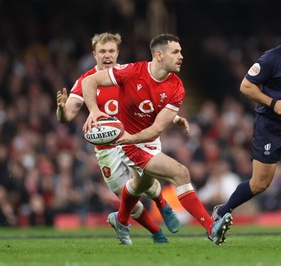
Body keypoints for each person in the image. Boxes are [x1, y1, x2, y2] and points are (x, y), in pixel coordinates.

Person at [82, 33, 233, 246]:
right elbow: (90, 80)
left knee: (138, 185)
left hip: (147, 140)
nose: (181, 56)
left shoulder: (177, 86)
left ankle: (121, 218)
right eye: (176, 52)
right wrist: (94, 111)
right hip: (131, 145)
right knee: (180, 173)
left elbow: (157, 128)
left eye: (180, 51)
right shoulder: (132, 72)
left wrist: (169, 122)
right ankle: (211, 227)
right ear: (160, 55)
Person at [56, 32, 186, 244]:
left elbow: (151, 103)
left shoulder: (127, 73)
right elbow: (67, 115)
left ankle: (162, 205)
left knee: (145, 182)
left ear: (117, 53)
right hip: (106, 149)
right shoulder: (85, 81)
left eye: (111, 51)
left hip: (133, 138)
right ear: (94, 54)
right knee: (129, 200)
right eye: (102, 52)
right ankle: (156, 232)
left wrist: (175, 118)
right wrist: (62, 110)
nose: (107, 56)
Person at [212, 11, 281, 242]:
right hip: (270, 127)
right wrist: (272, 103)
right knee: (260, 183)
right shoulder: (271, 58)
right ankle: (222, 211)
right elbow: (246, 86)